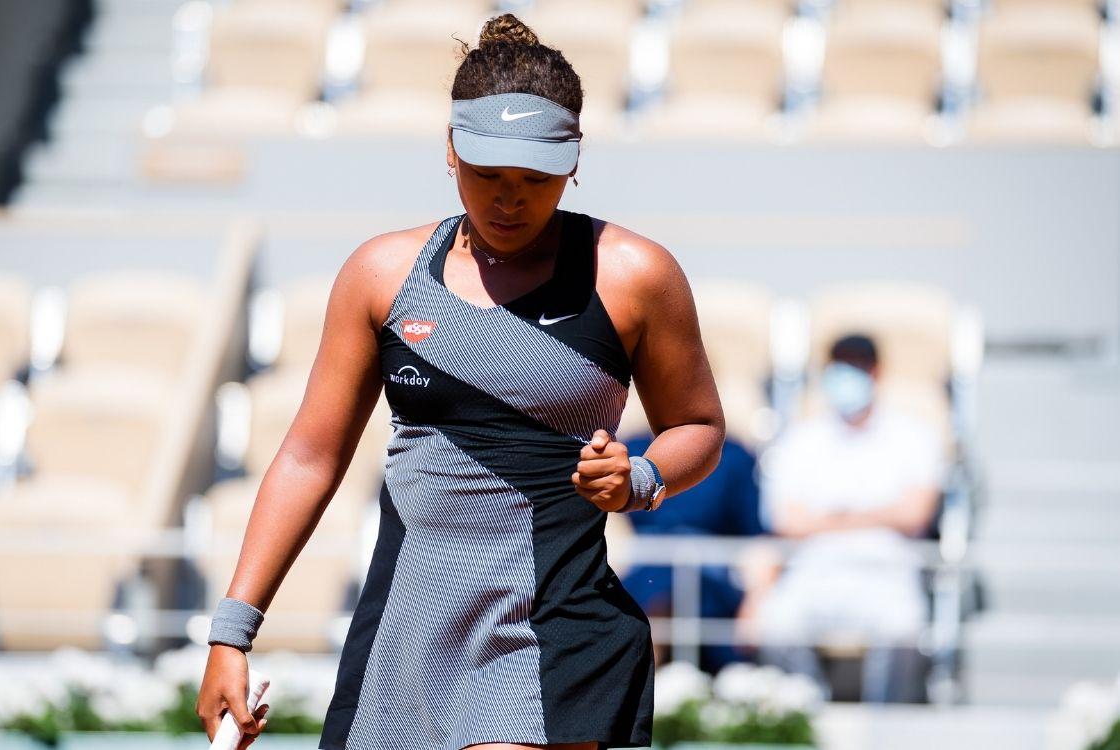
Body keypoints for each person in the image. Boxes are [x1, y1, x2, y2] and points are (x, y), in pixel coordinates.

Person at [195, 13, 726, 750]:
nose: (510, 199)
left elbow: (698, 428)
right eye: (487, 175)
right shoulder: (381, 275)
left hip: (552, 632)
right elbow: (309, 457)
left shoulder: (636, 275)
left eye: (535, 178)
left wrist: (640, 477)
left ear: (575, 160)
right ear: (449, 152)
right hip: (407, 627)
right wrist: (232, 631)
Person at [745, 333, 947, 703]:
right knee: (774, 627)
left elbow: (916, 514)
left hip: (887, 572)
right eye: (839, 365)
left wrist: (829, 518)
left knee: (904, 631)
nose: (846, 376)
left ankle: (884, 731)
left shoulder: (914, 436)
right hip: (813, 570)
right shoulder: (802, 439)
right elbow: (785, 521)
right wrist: (877, 515)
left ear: (877, 372)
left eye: (856, 365)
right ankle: (809, 716)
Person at [618, 433, 764, 673]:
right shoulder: (633, 448)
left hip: (708, 573)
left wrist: (755, 600)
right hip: (649, 567)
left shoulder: (735, 456)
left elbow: (756, 536)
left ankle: (643, 671)